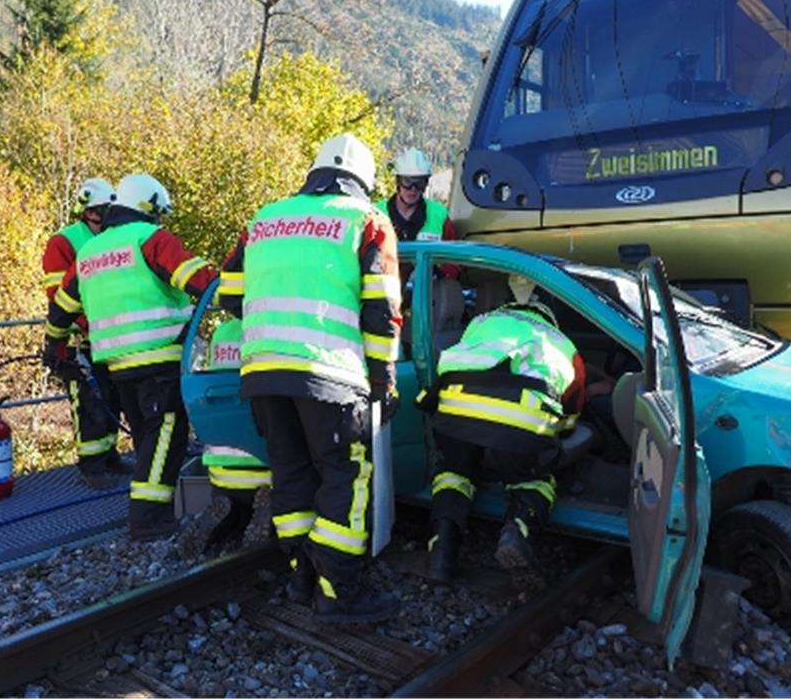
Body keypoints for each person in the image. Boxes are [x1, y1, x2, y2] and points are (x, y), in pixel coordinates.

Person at [218, 133, 403, 624]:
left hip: (262, 373)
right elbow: (382, 312)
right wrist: (385, 383)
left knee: (292, 472)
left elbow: (229, 297)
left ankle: (301, 576)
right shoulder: (367, 220)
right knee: (346, 473)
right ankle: (340, 592)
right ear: (364, 181)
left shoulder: (264, 219)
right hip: (331, 373)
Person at [44, 173, 218, 541]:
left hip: (116, 365)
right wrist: (236, 291)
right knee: (166, 437)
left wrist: (54, 345)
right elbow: (199, 280)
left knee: (147, 438)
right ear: (149, 208)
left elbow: (61, 308)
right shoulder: (151, 239)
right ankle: (148, 520)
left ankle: (155, 509)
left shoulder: (90, 252)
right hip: (160, 359)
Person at [416, 276, 587, 584]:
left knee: (455, 472)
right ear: (548, 316)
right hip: (520, 422)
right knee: (531, 479)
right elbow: (572, 412)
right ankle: (516, 531)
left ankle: (441, 549)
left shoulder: (482, 321)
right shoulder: (563, 343)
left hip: (455, 410)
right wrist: (554, 437)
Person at [41, 177, 133, 490]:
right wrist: (79, 329)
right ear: (86, 211)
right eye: (97, 211)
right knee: (88, 401)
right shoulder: (65, 242)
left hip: (109, 334)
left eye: (107, 209)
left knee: (112, 397)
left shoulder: (111, 238)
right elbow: (61, 295)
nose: (102, 216)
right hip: (77, 337)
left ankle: (109, 455)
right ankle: (91, 465)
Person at [176, 315, 274, 560]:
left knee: (235, 512)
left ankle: (225, 515)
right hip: (266, 469)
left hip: (220, 470)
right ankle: (268, 511)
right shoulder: (272, 327)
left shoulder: (223, 332)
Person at [382, 147, 460, 280]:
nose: (413, 189)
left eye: (419, 183)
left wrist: (440, 275)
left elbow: (455, 259)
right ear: (398, 182)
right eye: (407, 182)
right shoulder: (377, 213)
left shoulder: (439, 215)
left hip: (427, 292)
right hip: (385, 290)